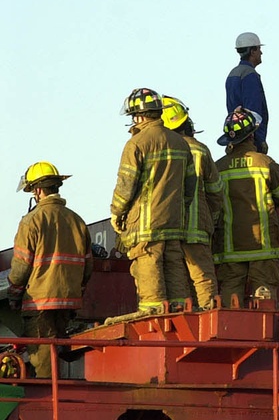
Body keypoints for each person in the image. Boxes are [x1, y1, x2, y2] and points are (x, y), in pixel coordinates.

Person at [111, 88, 195, 314]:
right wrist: (181, 209)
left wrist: (117, 213)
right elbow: (190, 186)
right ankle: (180, 310)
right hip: (174, 221)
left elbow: (126, 186)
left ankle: (154, 318)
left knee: (148, 265)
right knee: (174, 264)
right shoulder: (180, 142)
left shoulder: (136, 144)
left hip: (145, 225)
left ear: (138, 116)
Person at [9, 162, 93, 378]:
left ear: (37, 190)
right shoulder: (77, 220)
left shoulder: (31, 221)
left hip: (40, 304)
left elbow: (20, 268)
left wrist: (14, 294)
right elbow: (88, 266)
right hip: (68, 302)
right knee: (59, 353)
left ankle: (48, 406)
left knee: (44, 362)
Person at [214, 108, 279, 306]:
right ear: (252, 134)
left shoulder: (218, 167)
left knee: (230, 293)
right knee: (264, 294)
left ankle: (228, 331)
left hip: (230, 247)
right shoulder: (265, 162)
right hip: (263, 246)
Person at [161, 96, 222, 310]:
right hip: (197, 226)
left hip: (169, 227)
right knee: (203, 276)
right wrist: (211, 220)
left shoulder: (162, 149)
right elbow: (215, 190)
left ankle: (181, 313)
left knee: (177, 277)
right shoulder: (200, 149)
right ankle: (208, 313)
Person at [226, 32, 270, 153]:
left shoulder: (233, 73)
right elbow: (254, 113)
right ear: (252, 51)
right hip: (250, 141)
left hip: (235, 137)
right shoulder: (249, 75)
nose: (261, 52)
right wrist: (259, 141)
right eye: (259, 49)